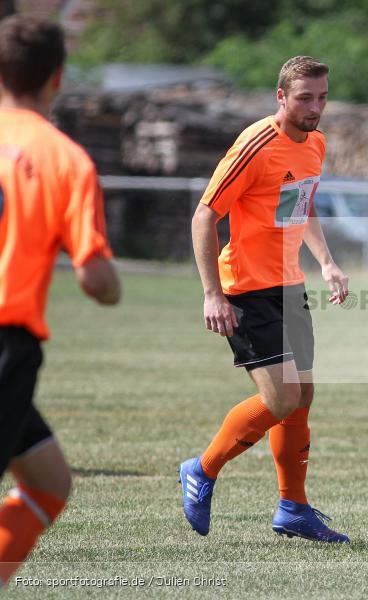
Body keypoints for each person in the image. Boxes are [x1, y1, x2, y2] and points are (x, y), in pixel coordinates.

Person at [180, 56, 351, 542]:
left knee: (303, 397)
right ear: (281, 97)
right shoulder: (256, 143)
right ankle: (202, 468)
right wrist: (212, 294)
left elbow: (303, 203)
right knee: (281, 397)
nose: (315, 107)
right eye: (304, 98)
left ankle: (293, 508)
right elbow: (204, 217)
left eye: (321, 97)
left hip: (289, 284)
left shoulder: (315, 143)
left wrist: (327, 261)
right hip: (247, 289)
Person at [0, 15, 121, 584]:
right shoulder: (66, 159)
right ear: (57, 79)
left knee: (49, 482)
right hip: (6, 346)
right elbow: (95, 280)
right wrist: (112, 282)